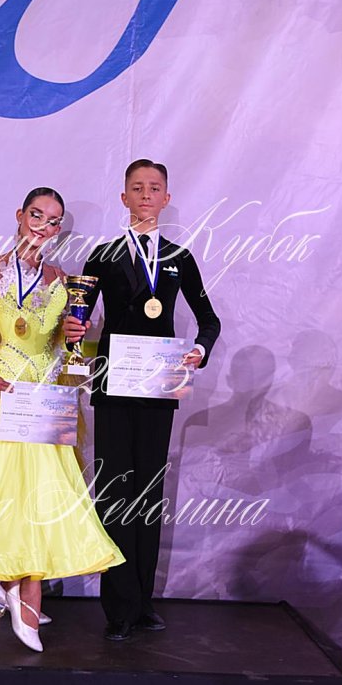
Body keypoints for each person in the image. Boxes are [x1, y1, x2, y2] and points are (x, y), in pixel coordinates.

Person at [0, 187, 125, 652]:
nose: (43, 226)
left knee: (47, 492)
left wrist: (76, 335)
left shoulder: (60, 277)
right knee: (7, 490)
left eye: (53, 221)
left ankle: (14, 584)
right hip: (6, 391)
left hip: (46, 394)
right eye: (37, 214)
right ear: (20, 214)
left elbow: (64, 347)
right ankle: (24, 591)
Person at [63, 160, 221, 641]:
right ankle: (119, 608)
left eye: (154, 188)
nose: (146, 195)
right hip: (113, 387)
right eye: (137, 187)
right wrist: (73, 331)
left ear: (166, 198)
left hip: (158, 390)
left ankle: (144, 602)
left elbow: (209, 319)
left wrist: (199, 350)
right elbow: (79, 319)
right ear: (124, 198)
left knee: (148, 494)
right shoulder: (103, 256)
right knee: (115, 492)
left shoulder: (179, 257)